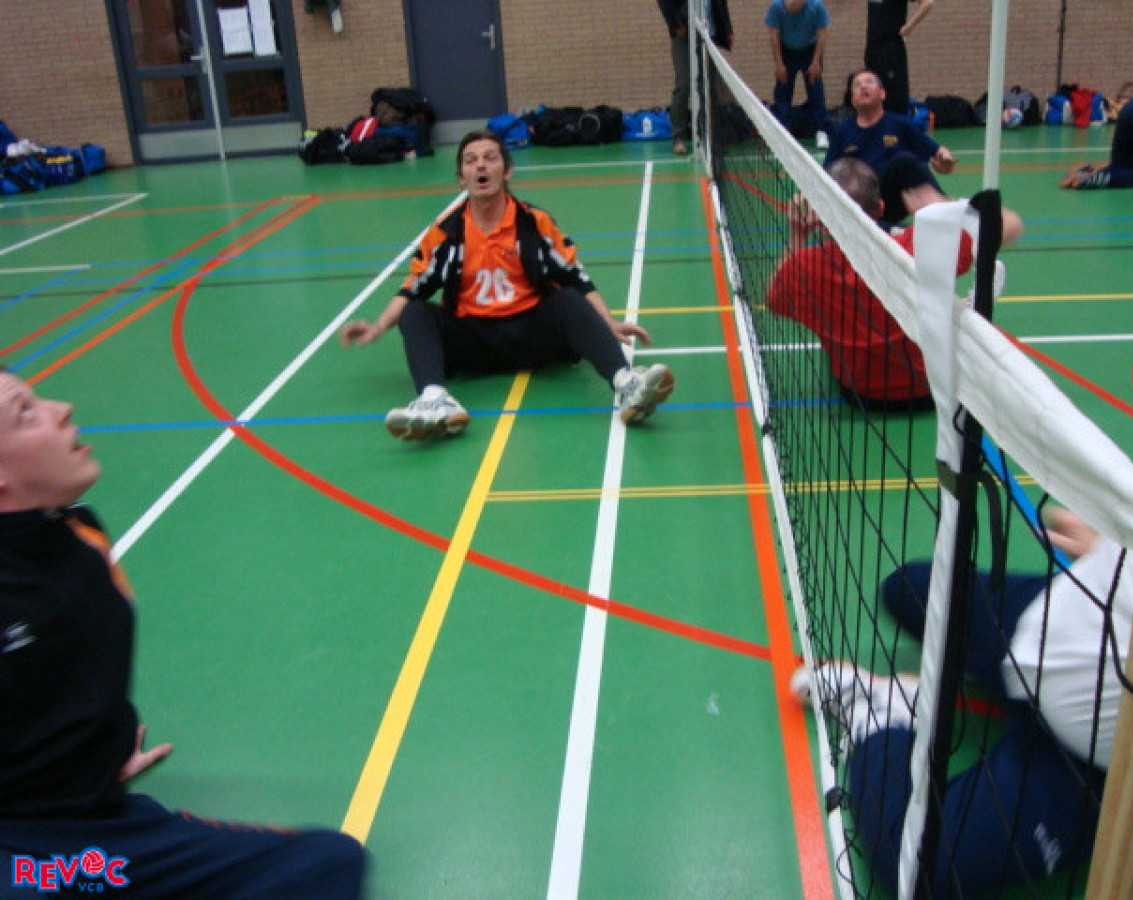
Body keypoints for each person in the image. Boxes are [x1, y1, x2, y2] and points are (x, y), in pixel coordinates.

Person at [0, 367, 367, 898]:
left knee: (327, 863)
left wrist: (96, 754)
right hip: (17, 848)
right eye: (25, 413)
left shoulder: (79, 536)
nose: (61, 410)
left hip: (97, 831)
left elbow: (78, 663)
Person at [794, 424, 1133, 896]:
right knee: (907, 589)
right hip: (1055, 622)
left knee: (919, 870)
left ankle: (881, 712)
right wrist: (1112, 541)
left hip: (1103, 761)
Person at [340, 130, 675, 441]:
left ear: (507, 171)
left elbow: (575, 276)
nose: (481, 166)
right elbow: (413, 288)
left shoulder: (534, 222)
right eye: (471, 161)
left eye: (490, 158)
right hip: (473, 341)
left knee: (569, 299)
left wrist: (608, 322)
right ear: (461, 177)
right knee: (415, 313)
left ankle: (626, 385)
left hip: (533, 335)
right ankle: (435, 400)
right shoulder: (445, 233)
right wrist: (378, 327)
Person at [766, 158, 1021, 409]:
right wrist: (942, 206)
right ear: (881, 209)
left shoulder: (806, 265)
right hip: (931, 389)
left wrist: (798, 235)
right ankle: (970, 310)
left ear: (821, 215)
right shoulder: (915, 248)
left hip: (860, 394)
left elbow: (774, 300)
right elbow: (1011, 225)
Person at [824, 68, 957, 228]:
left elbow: (937, 151)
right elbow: (825, 173)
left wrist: (945, 159)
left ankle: (946, 212)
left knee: (904, 160)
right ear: (853, 100)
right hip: (860, 202)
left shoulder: (900, 124)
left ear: (882, 94)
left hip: (891, 197)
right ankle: (888, 230)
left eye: (869, 82)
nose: (863, 86)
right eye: (857, 85)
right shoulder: (842, 132)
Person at [658, 0, 734, 155]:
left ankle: (709, 136)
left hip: (709, 35)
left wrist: (727, 30)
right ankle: (678, 137)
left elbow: (721, 4)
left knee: (710, 87)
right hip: (684, 35)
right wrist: (676, 24)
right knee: (684, 85)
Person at [765, 0, 833, 148]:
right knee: (783, 91)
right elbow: (774, 36)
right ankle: (783, 132)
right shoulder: (776, 7)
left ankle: (822, 130)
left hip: (810, 49)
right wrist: (779, 64)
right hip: (786, 50)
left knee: (815, 91)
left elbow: (822, 35)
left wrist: (816, 62)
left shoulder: (816, 6)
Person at [864, 0, 935, 116]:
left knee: (893, 98)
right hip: (872, 49)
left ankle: (897, 125)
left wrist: (909, 26)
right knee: (874, 97)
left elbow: (928, 3)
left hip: (891, 50)